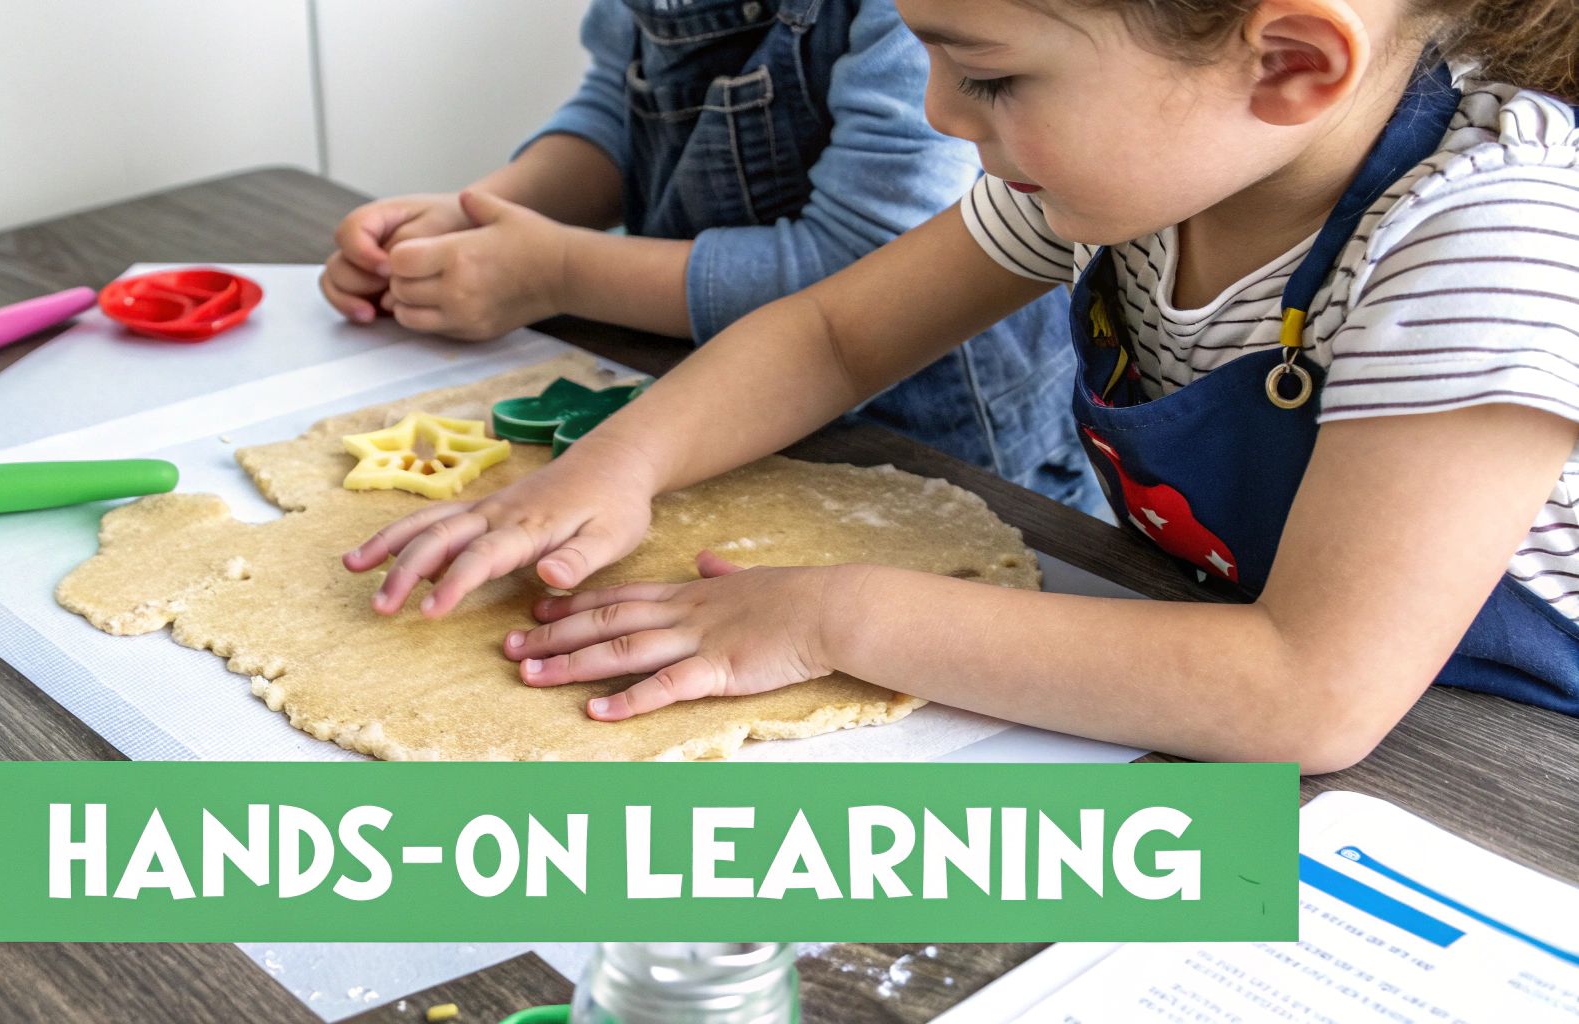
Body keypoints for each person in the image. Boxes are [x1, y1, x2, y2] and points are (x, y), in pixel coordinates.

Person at [343, 0, 1579, 773]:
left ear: (1289, 64)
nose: (939, 111)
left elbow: (1309, 694)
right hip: (1232, 672)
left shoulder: (1484, 240)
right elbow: (832, 333)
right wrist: (617, 461)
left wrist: (832, 617)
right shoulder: (1149, 166)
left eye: (986, 77)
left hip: (1497, 768)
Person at [319, 0, 1100, 512]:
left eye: (983, 80)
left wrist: (554, 271)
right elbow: (621, 112)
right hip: (714, 399)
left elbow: (866, 273)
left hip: (942, 454)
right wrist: (487, 215)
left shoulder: (935, 25)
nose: (944, 107)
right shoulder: (1039, 207)